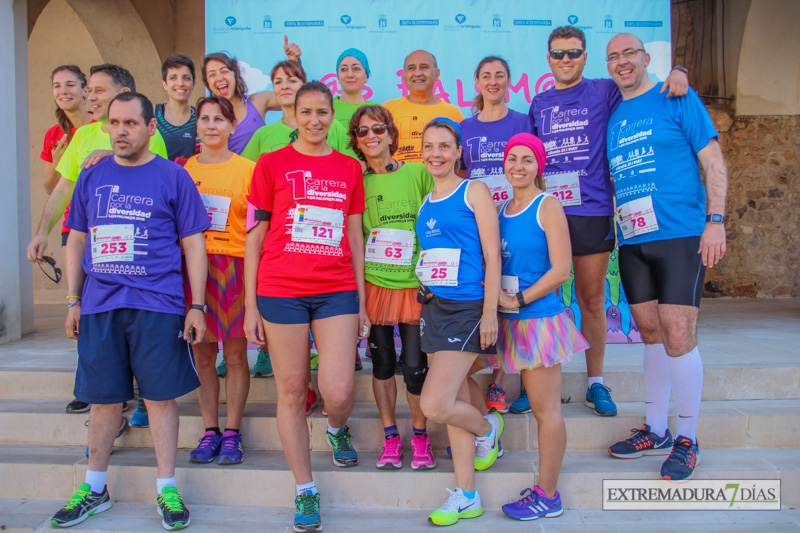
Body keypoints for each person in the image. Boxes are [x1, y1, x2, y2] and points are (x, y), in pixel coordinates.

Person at [50, 91, 210, 530]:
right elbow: (77, 239)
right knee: (103, 401)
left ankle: (166, 490)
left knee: (159, 398)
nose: (120, 131)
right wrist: (73, 300)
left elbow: (194, 243)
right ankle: (94, 488)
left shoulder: (173, 178)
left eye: (130, 123)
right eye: (114, 123)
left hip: (157, 304)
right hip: (100, 305)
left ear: (150, 127)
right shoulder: (93, 176)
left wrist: (196, 305)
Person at [527, 26, 689, 417]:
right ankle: (534, 379)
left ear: (585, 57)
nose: (565, 60)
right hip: (545, 215)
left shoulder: (604, 90)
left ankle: (595, 383)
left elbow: (645, 84)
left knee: (592, 300)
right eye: (558, 54)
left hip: (592, 212)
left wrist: (680, 70)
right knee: (539, 301)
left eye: (573, 53)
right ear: (548, 59)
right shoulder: (539, 102)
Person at [243, 81, 368, 533]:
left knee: (338, 393)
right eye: (306, 112)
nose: (314, 120)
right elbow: (254, 238)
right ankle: (304, 490)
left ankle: (336, 428)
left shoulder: (349, 168)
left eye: (322, 112)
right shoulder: (271, 164)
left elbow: (355, 236)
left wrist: (363, 300)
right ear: (292, 115)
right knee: (292, 391)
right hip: (280, 289)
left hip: (336, 289)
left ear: (332, 115)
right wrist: (250, 306)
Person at [604, 33, 727, 482]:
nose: (622, 62)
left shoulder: (677, 95)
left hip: (680, 233)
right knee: (651, 333)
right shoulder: (614, 114)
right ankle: (655, 429)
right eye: (613, 57)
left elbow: (713, 161)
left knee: (678, 333)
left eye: (629, 54)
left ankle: (687, 437)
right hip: (633, 240)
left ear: (645, 57)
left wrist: (715, 219)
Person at [482, 133, 588, 521]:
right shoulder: (501, 208)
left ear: (539, 166)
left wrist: (520, 300)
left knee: (546, 412)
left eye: (527, 159)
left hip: (537, 321)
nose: (518, 166)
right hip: (504, 321)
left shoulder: (549, 206)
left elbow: (562, 269)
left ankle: (548, 494)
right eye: (512, 158)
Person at [415, 118, 502, 526]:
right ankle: (467, 494)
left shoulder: (474, 190)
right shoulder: (426, 202)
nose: (436, 153)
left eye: (444, 146)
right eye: (429, 146)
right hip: (435, 308)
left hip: (468, 309)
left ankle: (487, 429)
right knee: (455, 403)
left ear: (458, 151)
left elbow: (492, 255)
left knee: (435, 404)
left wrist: (488, 312)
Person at [347, 104, 435, 470]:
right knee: (381, 364)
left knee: (415, 367)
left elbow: (438, 220)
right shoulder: (358, 182)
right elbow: (354, 241)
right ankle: (389, 438)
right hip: (376, 285)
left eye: (378, 129)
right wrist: (360, 303)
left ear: (391, 134)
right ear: (355, 140)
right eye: (363, 131)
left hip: (416, 286)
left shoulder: (418, 173)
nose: (371, 136)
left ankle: (420, 437)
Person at [27, 63, 168, 264]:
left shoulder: (147, 133)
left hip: (134, 241)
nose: (91, 97)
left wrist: (113, 156)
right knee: (78, 295)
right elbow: (63, 190)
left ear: (124, 93)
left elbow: (153, 184)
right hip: (84, 238)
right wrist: (42, 233)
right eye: (90, 91)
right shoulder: (83, 134)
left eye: (99, 91)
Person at [181, 95, 255, 465]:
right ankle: (210, 430)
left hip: (238, 268)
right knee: (203, 354)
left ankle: (232, 432)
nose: (211, 125)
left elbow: (259, 228)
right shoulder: (184, 170)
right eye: (205, 119)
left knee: (237, 355)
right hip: (195, 270)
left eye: (219, 119)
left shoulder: (249, 170)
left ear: (232, 126)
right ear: (197, 125)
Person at [460, 56, 533, 414]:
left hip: (513, 219)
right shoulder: (464, 127)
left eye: (499, 76)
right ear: (476, 82)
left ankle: (498, 385)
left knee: (506, 295)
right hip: (475, 227)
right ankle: (473, 368)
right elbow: (459, 178)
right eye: (486, 76)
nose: (492, 82)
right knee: (479, 297)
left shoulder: (522, 121)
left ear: (509, 81)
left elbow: (533, 167)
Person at [41, 65, 93, 415]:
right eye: (57, 85)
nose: (64, 90)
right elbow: (52, 186)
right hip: (72, 228)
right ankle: (87, 384)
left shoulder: (103, 126)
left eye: (71, 84)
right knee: (78, 304)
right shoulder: (55, 134)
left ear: (86, 89)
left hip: (107, 225)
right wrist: (61, 159)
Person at [202, 37, 301, 154]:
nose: (219, 78)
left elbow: (293, 96)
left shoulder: (257, 102)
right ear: (207, 82)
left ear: (235, 74)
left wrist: (294, 61)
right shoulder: (208, 117)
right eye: (212, 75)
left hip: (261, 171)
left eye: (224, 71)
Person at [242, 60, 351, 161]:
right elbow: (245, 174)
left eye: (292, 80)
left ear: (304, 85)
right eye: (278, 82)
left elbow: (354, 166)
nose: (285, 86)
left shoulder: (333, 127)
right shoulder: (262, 135)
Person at [383, 50, 463, 163]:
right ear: (404, 75)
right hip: (398, 179)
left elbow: (463, 160)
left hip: (439, 180)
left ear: (437, 73)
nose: (417, 73)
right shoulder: (387, 109)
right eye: (411, 68)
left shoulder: (453, 113)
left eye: (424, 67)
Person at [156, 53, 198, 161]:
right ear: (164, 84)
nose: (180, 83)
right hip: (157, 177)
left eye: (186, 78)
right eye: (173, 78)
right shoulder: (152, 114)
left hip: (189, 177)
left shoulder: (200, 118)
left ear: (194, 84)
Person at [333, 48, 378, 128]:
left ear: (366, 76)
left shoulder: (377, 111)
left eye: (356, 69)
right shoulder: (326, 108)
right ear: (338, 77)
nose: (350, 75)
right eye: (344, 69)